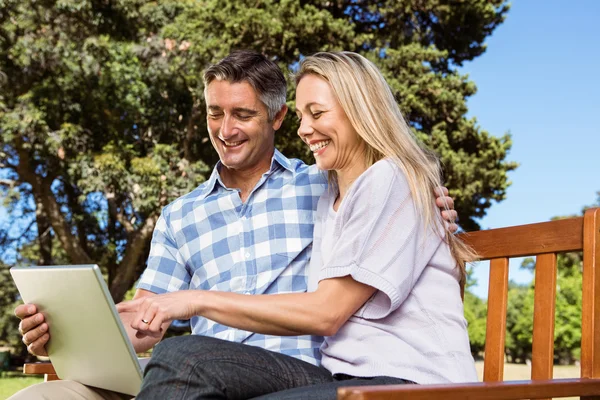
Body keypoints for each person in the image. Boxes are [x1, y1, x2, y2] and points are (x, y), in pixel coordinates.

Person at [11, 50, 458, 400]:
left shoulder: (321, 185)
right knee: (44, 396)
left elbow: (391, 195)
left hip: (286, 371)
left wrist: (432, 204)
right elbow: (146, 320)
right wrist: (67, 335)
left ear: (275, 118)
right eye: (213, 113)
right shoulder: (180, 215)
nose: (225, 130)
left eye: (243, 115)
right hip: (188, 377)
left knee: (183, 357)